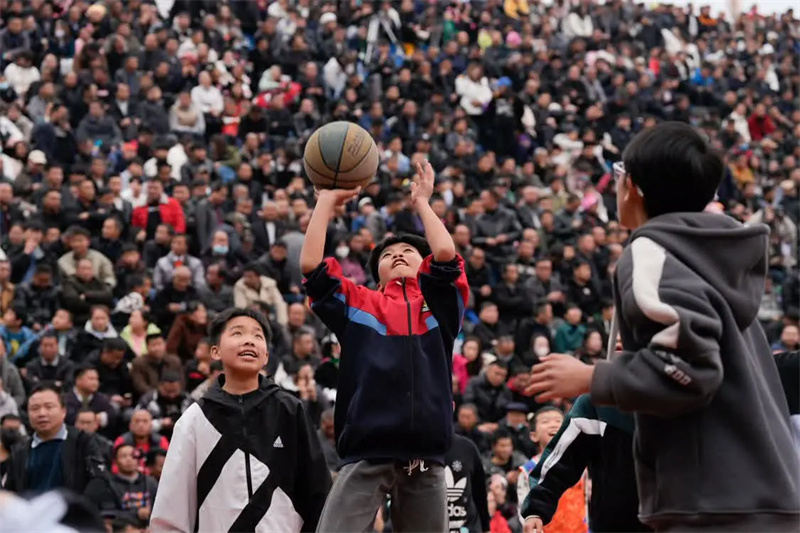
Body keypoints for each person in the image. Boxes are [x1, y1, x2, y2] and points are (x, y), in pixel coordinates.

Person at [526, 122, 800, 531]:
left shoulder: (651, 253)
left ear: (633, 188)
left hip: (708, 505)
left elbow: (691, 370)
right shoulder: (710, 254)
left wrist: (590, 376)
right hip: (755, 496)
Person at [301, 161, 468, 532]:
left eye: (408, 250)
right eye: (388, 255)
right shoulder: (361, 304)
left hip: (426, 454)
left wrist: (422, 203)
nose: (398, 254)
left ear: (423, 264)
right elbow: (311, 266)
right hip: (367, 450)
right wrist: (325, 201)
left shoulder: (439, 304)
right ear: (376, 277)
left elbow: (445, 255)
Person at [150, 308, 331, 532]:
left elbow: (318, 493)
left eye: (257, 335)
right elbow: (171, 510)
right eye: (237, 333)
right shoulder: (195, 419)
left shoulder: (290, 411)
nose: (249, 341)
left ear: (266, 356)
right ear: (215, 351)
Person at [520, 395, 646, 533]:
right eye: (546, 421)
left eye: (557, 420)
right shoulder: (594, 402)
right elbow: (564, 459)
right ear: (533, 435)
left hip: (662, 516)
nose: (553, 425)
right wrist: (535, 508)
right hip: (615, 522)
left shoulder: (665, 397)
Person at [3, 384, 104, 493]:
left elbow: (98, 481)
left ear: (63, 411)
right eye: (35, 408)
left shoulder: (82, 442)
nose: (42, 413)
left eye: (49, 407)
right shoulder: (20, 451)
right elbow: (10, 493)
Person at [84, 443, 158, 527]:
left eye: (133, 455)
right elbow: (108, 514)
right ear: (115, 461)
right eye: (124, 456)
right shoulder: (107, 484)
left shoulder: (151, 482)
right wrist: (136, 513)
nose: (129, 459)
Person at [444, 433, 491, 533]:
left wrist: (485, 527)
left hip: (467, 526)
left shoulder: (467, 447)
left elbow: (480, 493)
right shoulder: (417, 449)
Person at [113, 409, 170, 475]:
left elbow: (168, 465)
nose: (141, 425)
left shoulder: (161, 441)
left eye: (145, 421)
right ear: (130, 425)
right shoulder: (122, 441)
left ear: (151, 425)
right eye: (137, 421)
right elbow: (114, 467)